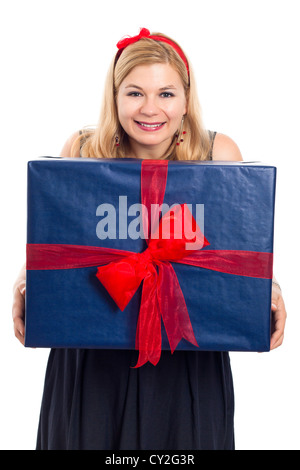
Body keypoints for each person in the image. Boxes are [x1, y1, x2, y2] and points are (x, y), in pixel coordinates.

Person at [12, 28, 287, 450]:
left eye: (166, 93)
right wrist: (25, 277)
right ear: (115, 95)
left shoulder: (218, 154)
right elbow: (65, 241)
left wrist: (268, 288)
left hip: (187, 357)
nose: (151, 108)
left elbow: (235, 250)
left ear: (186, 97)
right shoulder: (83, 150)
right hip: (91, 357)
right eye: (135, 93)